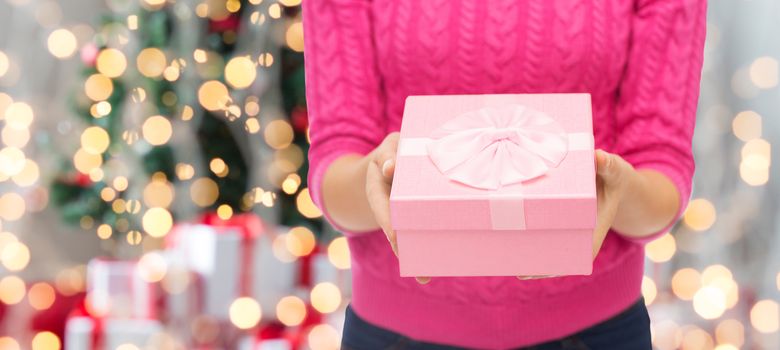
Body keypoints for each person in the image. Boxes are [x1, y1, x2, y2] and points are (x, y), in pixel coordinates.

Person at [302, 0, 706, 348]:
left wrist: (616, 187)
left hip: (596, 332)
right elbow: (337, 162)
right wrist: (375, 176)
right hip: (395, 333)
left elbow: (661, 172)